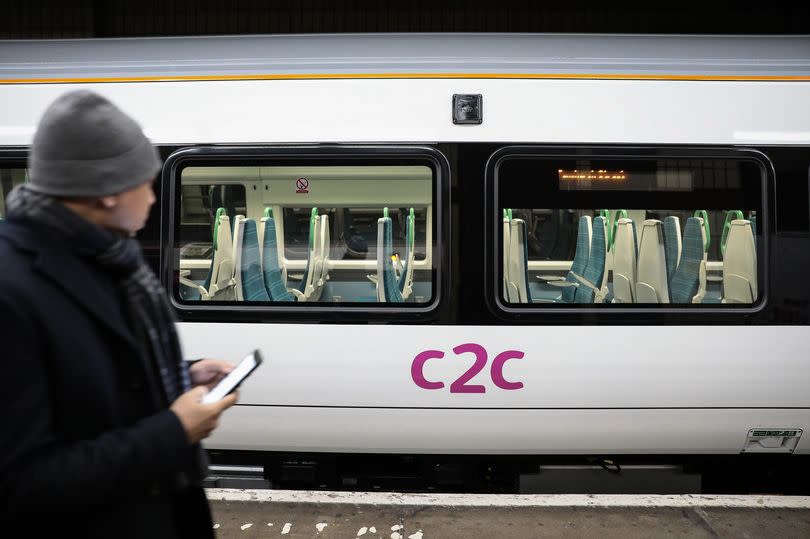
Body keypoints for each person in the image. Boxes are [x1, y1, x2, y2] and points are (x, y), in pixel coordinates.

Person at [0, 90, 237, 537]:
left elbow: (86, 380)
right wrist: (173, 432)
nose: (151, 198)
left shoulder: (105, 261)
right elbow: (20, 485)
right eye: (146, 182)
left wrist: (179, 375)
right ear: (109, 191)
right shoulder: (12, 291)